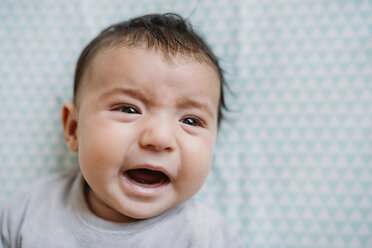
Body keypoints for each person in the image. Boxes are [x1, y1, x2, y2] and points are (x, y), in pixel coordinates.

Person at [0, 13, 241, 247]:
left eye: (190, 121)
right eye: (128, 109)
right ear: (74, 129)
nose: (159, 138)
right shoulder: (29, 210)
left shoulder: (207, 236)